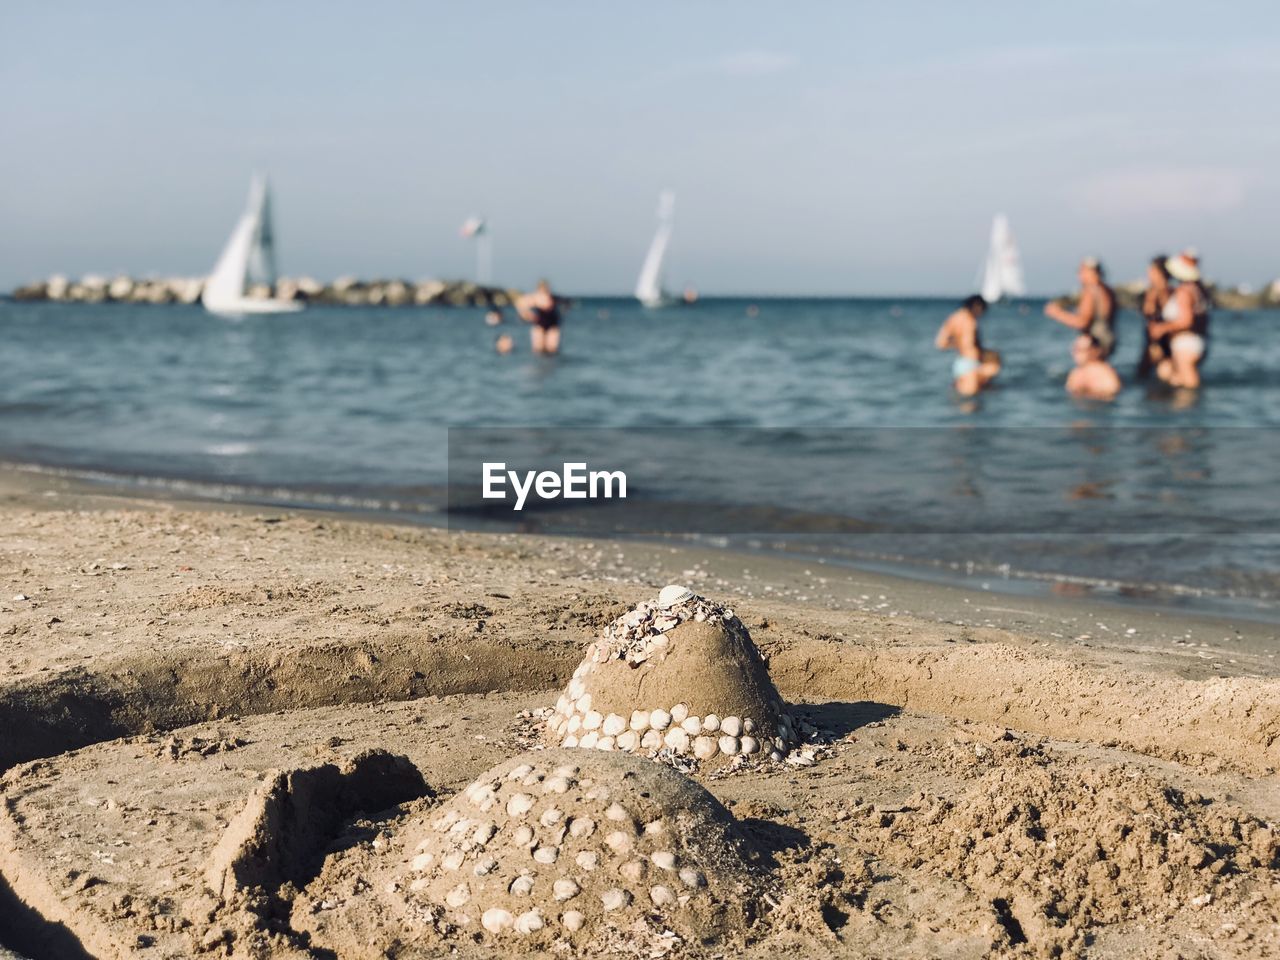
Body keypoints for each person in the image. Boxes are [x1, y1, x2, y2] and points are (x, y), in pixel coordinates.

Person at [1149, 250, 1210, 389]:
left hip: (1185, 344)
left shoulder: (1184, 291)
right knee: (1176, 379)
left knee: (1189, 387)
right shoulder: (1197, 289)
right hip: (1193, 342)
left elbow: (1186, 321)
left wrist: (1162, 328)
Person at [1044, 257, 1116, 359]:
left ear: (1091, 272)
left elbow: (1082, 322)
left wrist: (1056, 313)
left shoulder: (1090, 291)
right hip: (1107, 340)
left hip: (1094, 343)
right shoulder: (1107, 290)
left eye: (1081, 271)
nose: (1079, 275)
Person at [935, 295, 1000, 396]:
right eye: (982, 310)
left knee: (964, 402)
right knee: (970, 405)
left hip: (961, 363)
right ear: (976, 306)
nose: (981, 314)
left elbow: (940, 343)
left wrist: (957, 343)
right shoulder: (970, 321)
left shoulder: (953, 318)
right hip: (970, 365)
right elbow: (968, 343)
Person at [1136, 255, 1172, 380]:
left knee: (1163, 374)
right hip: (1151, 341)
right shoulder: (1151, 292)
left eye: (1152, 270)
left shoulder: (1168, 293)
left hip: (1162, 342)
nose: (1148, 273)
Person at [1066, 334, 1122, 400]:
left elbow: (1113, 394)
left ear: (1095, 351)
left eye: (1081, 350)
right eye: (1075, 349)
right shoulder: (1075, 373)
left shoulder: (1106, 374)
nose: (1076, 354)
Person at [515, 279, 562, 355]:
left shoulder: (551, 297)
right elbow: (520, 303)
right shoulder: (535, 298)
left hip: (553, 324)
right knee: (538, 349)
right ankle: (540, 363)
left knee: (552, 349)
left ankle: (552, 364)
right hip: (539, 323)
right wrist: (527, 315)